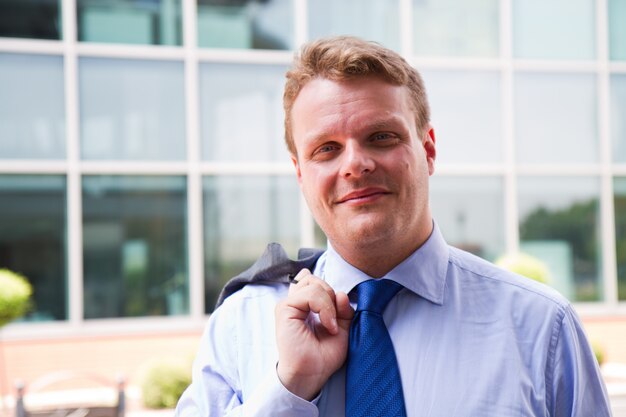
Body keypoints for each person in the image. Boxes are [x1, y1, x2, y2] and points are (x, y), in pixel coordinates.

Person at [175, 36, 612, 416]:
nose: (356, 165)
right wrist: (288, 389)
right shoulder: (241, 324)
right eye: (326, 149)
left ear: (429, 150)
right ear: (299, 173)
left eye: (381, 137)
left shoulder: (541, 329)